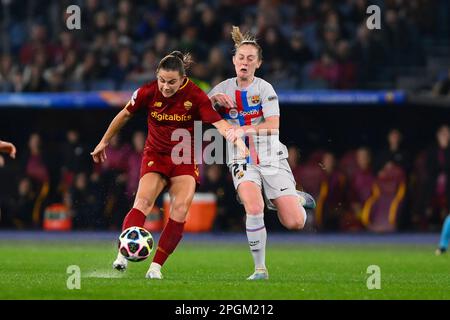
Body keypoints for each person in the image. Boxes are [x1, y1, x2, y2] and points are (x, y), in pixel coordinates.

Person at [91, 51, 247, 279]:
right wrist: (104, 141)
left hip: (184, 159)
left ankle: (155, 268)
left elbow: (219, 123)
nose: (165, 86)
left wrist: (237, 141)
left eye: (172, 82)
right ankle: (123, 255)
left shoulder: (195, 95)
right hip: (156, 155)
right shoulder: (147, 91)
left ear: (183, 79)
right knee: (143, 202)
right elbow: (124, 114)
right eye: (162, 80)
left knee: (180, 209)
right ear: (157, 75)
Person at [208, 26, 316, 280]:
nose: (244, 62)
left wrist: (244, 129)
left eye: (250, 59)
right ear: (233, 61)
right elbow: (196, 114)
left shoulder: (265, 89)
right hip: (241, 158)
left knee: (294, 223)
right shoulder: (220, 90)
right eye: (240, 58)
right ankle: (260, 269)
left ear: (258, 63)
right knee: (253, 207)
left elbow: (273, 125)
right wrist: (211, 102)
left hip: (270, 158)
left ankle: (296, 199)